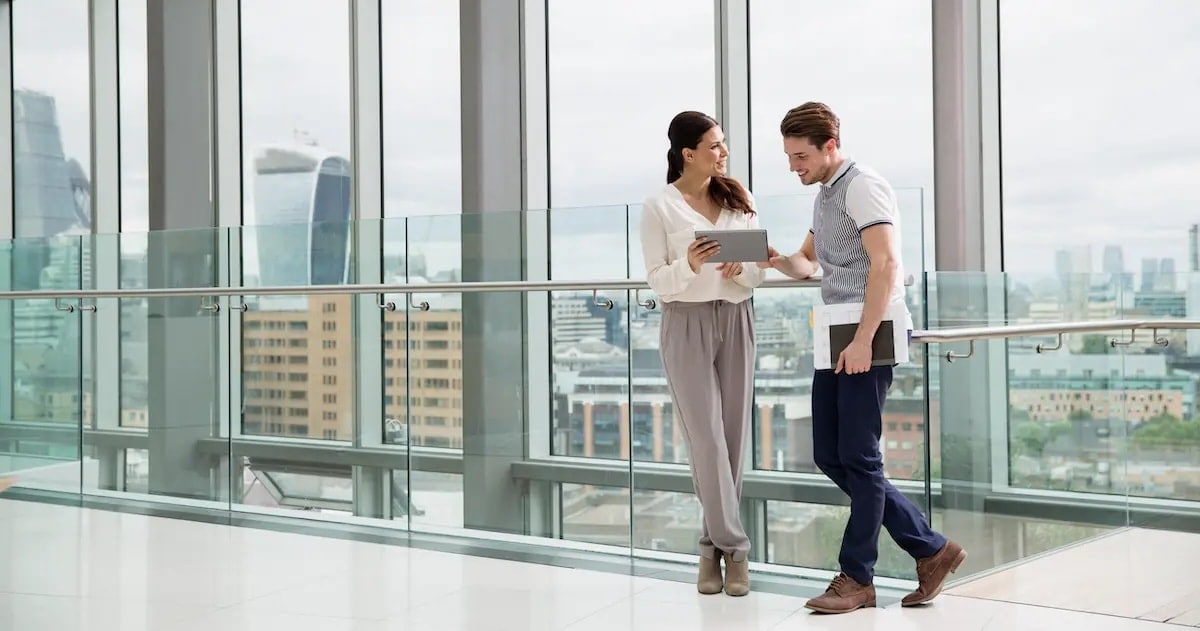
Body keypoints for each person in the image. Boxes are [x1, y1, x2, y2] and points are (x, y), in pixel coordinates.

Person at [759, 102, 966, 614]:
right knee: (831, 454)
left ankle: (857, 577)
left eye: (801, 156)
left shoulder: (862, 185)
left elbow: (886, 262)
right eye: (788, 157)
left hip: (866, 332)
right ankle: (930, 548)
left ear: (830, 145)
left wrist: (863, 340)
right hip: (836, 330)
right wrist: (776, 259)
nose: (794, 167)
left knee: (860, 455)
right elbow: (810, 262)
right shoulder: (826, 194)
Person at [640, 111, 764, 597]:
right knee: (706, 440)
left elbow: (759, 271)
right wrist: (688, 265)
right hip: (686, 324)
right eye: (714, 145)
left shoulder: (739, 197)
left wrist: (742, 270)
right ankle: (737, 549)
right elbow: (657, 282)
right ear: (687, 153)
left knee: (732, 438)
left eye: (724, 143)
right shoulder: (659, 206)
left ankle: (711, 548)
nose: (723, 153)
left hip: (736, 318)